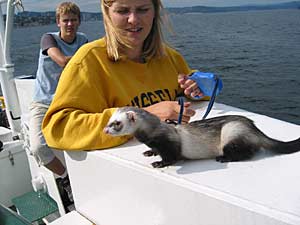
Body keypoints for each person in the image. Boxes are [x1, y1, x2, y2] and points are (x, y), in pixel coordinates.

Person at [42, 0, 204, 152]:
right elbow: (58, 128)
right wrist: (143, 117)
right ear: (107, 13)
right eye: (122, 11)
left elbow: (193, 88)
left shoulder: (169, 57)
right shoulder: (88, 62)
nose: (133, 19)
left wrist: (200, 86)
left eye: (143, 10)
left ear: (155, 12)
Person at [29, 1, 88, 210]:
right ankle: (65, 178)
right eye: (66, 20)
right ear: (58, 22)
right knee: (37, 146)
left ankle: (87, 177)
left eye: (73, 20)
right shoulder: (49, 38)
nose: (69, 24)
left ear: (79, 22)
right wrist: (86, 59)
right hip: (43, 102)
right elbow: (62, 60)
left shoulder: (83, 41)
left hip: (68, 102)